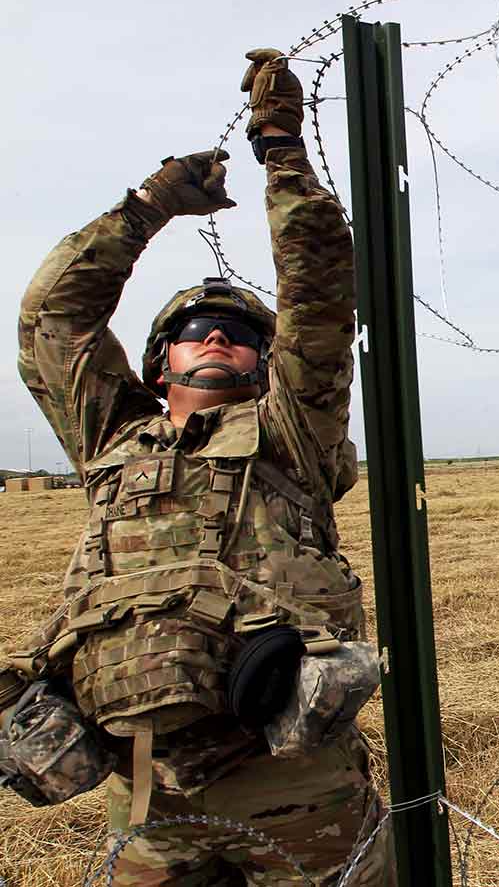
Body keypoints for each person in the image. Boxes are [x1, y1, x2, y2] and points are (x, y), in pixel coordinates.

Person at [0, 49, 394, 885]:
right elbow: (52, 315)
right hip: (144, 786)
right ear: (157, 365)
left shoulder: (292, 427)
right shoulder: (113, 437)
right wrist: (149, 206)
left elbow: (319, 288)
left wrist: (280, 146)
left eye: (241, 333)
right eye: (195, 329)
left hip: (292, 778)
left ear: (264, 362)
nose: (217, 336)